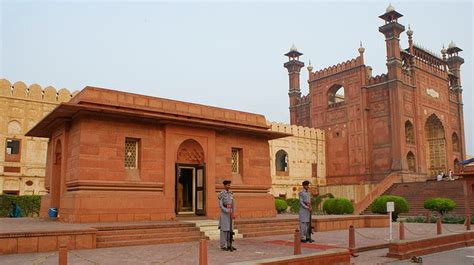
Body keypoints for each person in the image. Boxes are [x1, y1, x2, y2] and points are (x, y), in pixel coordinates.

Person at [218, 180, 236, 251]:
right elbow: (220, 205)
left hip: (230, 214)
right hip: (224, 214)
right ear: (224, 186)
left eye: (229, 185)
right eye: (227, 185)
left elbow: (233, 204)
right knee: (224, 230)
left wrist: (233, 212)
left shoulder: (231, 193)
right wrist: (226, 210)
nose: (229, 186)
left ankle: (229, 245)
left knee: (230, 229)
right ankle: (223, 245)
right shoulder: (221, 194)